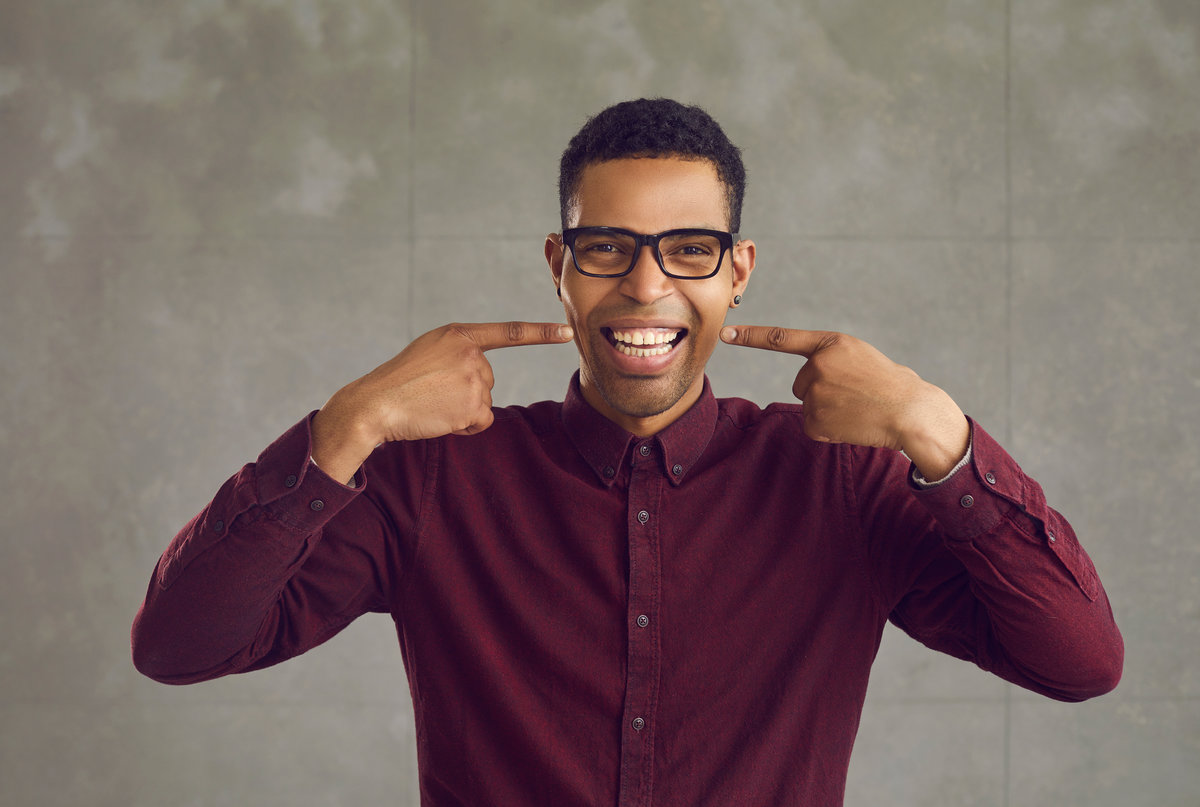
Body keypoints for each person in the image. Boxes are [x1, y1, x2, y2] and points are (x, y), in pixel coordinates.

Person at [132, 98, 1122, 806]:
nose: (646, 288)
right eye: (607, 247)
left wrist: (939, 437)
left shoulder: (844, 483)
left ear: (737, 274)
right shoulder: (431, 479)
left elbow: (1079, 663)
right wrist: (342, 430)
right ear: (560, 269)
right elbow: (181, 647)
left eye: (688, 249)